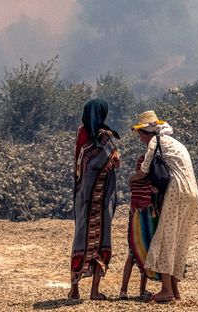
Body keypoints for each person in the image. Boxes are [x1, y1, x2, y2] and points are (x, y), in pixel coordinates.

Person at [129, 110, 198, 304]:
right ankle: (175, 289)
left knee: (166, 237)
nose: (140, 138)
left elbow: (143, 172)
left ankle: (166, 290)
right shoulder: (176, 143)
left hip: (177, 191)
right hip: (193, 193)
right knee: (180, 238)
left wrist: (130, 179)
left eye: (140, 134)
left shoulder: (155, 142)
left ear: (145, 132)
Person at [69, 99, 120, 301]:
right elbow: (116, 163)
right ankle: (94, 291)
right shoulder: (105, 137)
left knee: (81, 237)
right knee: (101, 240)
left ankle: (74, 289)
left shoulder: (81, 132)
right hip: (100, 199)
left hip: (82, 197)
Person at [119, 152, 160, 300]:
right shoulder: (152, 184)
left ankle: (124, 291)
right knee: (145, 254)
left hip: (136, 219)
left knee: (132, 254)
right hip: (148, 219)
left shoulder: (135, 182)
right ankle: (141, 290)